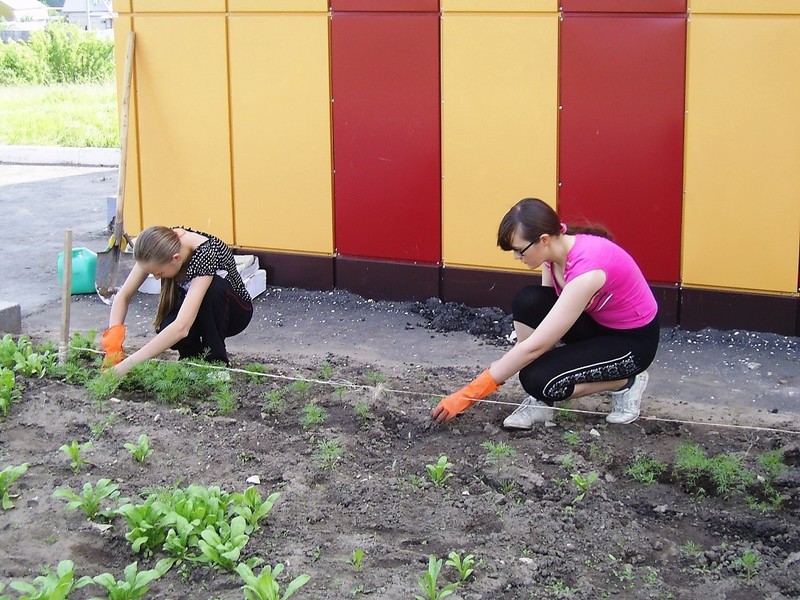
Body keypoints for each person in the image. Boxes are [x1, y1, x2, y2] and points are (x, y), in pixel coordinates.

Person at [432, 198, 659, 428]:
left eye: (519, 250)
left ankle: (626, 381)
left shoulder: (586, 273)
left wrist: (467, 395)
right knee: (528, 300)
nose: (516, 257)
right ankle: (543, 395)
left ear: (543, 240)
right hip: (598, 325)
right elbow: (544, 312)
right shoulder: (553, 254)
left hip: (632, 344)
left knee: (537, 379)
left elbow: (536, 346)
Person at [101, 226, 253, 377]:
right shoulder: (157, 247)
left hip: (234, 312)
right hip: (197, 309)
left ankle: (217, 364)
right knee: (167, 326)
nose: (156, 278)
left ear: (176, 258)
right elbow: (123, 296)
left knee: (213, 289)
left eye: (159, 273)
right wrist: (113, 345)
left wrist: (125, 367)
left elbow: (181, 327)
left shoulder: (206, 253)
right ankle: (191, 360)